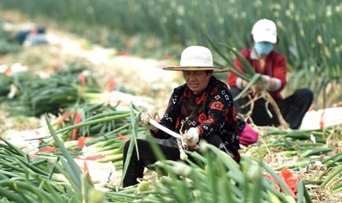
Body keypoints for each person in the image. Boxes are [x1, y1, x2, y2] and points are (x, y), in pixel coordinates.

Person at [122, 45, 257, 188]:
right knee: (133, 147)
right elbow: (166, 128)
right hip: (184, 152)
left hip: (214, 155)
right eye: (187, 73)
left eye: (197, 73)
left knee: (210, 139)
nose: (191, 78)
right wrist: (153, 126)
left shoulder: (220, 91)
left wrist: (197, 131)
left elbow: (215, 121)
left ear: (209, 73)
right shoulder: (179, 94)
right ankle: (128, 192)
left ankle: (225, 186)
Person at [227, 19, 314, 130]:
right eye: (262, 42)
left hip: (272, 108)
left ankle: (290, 128)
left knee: (306, 94)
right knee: (232, 92)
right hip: (249, 108)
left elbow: (281, 82)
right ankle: (245, 128)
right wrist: (249, 84)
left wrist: (266, 82)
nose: (264, 45)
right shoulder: (244, 56)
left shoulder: (278, 58)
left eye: (267, 43)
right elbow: (232, 79)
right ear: (253, 39)